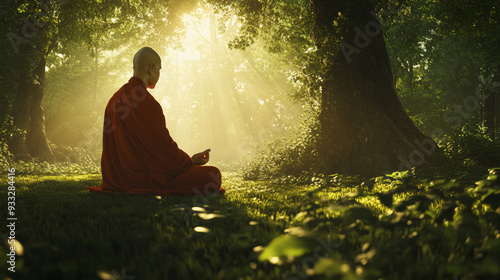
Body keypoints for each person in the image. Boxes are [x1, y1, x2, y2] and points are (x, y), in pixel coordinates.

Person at [88, 47, 224, 196]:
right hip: (146, 179)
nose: (159, 75)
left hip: (116, 180)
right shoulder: (147, 103)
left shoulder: (114, 100)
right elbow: (163, 149)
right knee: (213, 174)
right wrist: (189, 161)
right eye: (159, 70)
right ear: (151, 68)